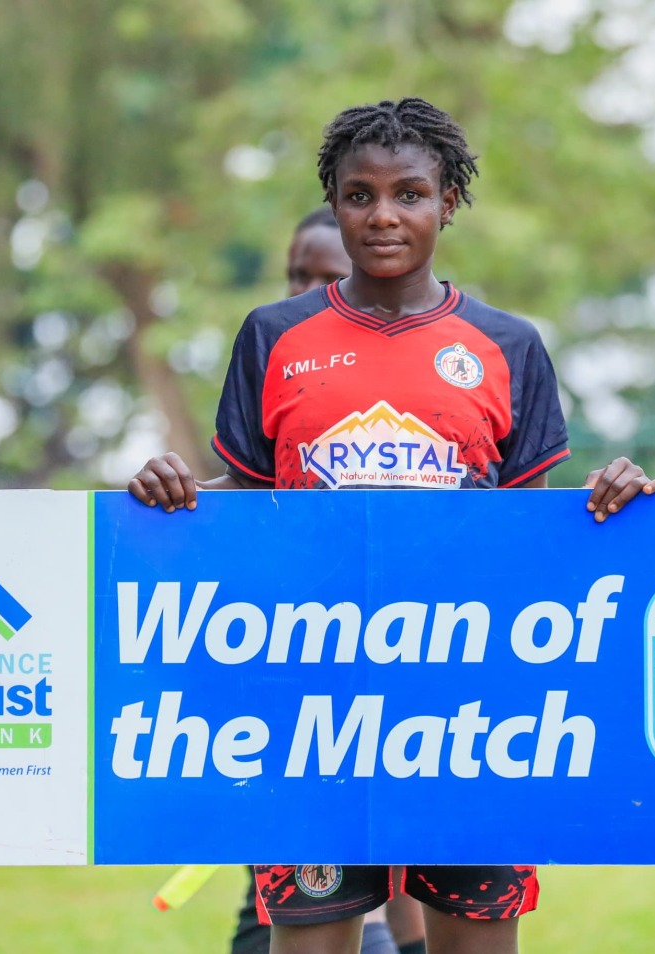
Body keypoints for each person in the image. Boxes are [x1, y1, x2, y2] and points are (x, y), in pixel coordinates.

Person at [129, 96, 655, 954]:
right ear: (334, 203)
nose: (383, 215)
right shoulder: (273, 336)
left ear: (448, 202)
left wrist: (615, 500)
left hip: (471, 715)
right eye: (360, 195)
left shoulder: (507, 345)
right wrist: (173, 490)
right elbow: (247, 507)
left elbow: (533, 530)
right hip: (312, 711)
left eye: (409, 194)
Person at [225, 208, 424, 954]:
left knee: (406, 869)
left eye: (324, 275)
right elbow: (243, 502)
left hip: (414, 658)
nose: (304, 291)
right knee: (288, 901)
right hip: (298, 664)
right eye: (295, 275)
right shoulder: (275, 354)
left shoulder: (440, 369)